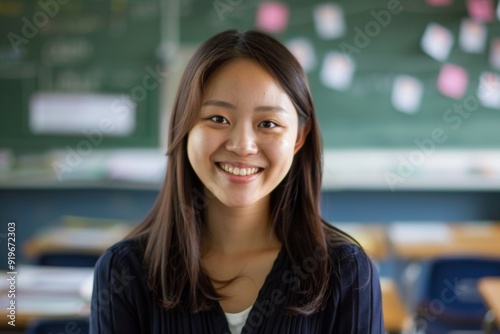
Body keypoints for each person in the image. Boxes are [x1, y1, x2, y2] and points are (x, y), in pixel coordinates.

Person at [90, 29, 384, 333]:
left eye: (268, 124)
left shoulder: (347, 273)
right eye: (218, 119)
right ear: (184, 125)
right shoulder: (123, 272)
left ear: (299, 137)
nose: (243, 145)